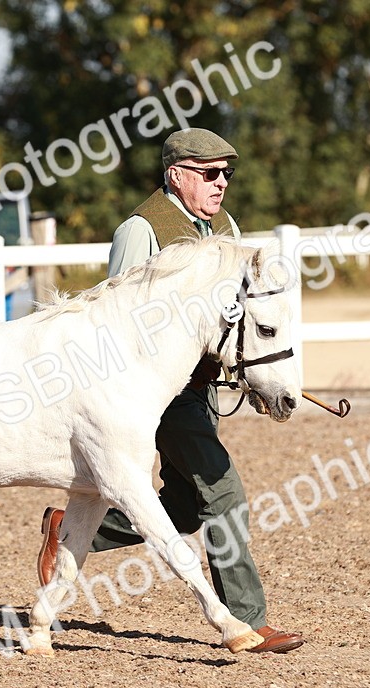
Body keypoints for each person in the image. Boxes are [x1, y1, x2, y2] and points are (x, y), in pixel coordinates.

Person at [36, 128, 303, 654]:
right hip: (160, 397)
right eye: (210, 173)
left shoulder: (225, 227)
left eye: (226, 173)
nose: (221, 182)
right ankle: (247, 620)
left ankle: (75, 527)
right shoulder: (140, 229)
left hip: (203, 386)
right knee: (224, 496)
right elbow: (118, 316)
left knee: (184, 504)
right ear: (177, 175)